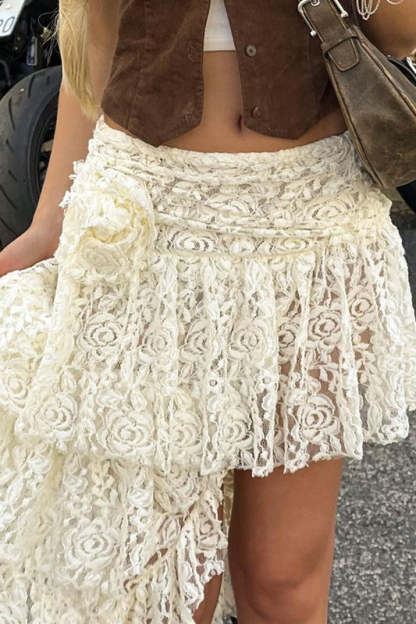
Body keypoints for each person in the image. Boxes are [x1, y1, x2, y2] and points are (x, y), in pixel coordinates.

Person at [0, 1, 415, 623]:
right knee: (165, 585)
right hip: (146, 231)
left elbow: (401, 32)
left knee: (282, 582)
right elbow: (96, 46)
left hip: (309, 235)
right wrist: (49, 223)